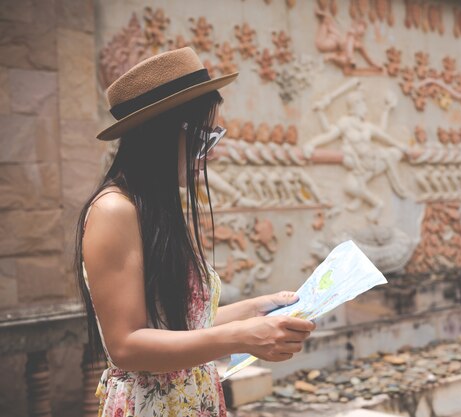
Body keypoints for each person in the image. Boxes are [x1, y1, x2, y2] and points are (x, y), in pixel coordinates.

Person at [76, 47, 315, 417]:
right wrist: (242, 337)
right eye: (205, 139)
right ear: (163, 135)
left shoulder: (153, 210)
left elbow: (177, 326)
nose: (210, 155)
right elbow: (126, 345)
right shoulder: (114, 210)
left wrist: (255, 310)